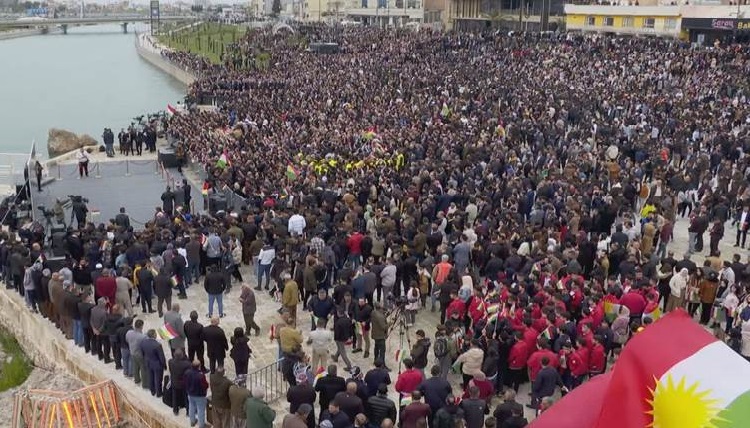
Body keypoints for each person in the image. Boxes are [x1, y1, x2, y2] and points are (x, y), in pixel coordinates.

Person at [140, 329, 166, 397]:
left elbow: (142, 353)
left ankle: (152, 391)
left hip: (148, 362)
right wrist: (164, 365)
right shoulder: (157, 345)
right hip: (157, 364)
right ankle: (159, 393)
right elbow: (161, 357)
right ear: (154, 335)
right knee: (158, 379)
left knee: (150, 377)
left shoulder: (143, 342)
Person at [185, 359, 209, 428]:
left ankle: (192, 421)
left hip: (190, 393)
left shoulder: (187, 372)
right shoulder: (201, 375)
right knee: (200, 410)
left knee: (191, 407)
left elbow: (185, 382)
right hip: (199, 395)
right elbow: (205, 385)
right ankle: (201, 425)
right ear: (199, 366)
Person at [168, 348, 191, 415]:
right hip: (183, 383)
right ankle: (188, 411)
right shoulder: (187, 364)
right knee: (186, 397)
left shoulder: (170, 362)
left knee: (174, 396)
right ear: (182, 355)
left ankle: (175, 410)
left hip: (174, 382)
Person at [126, 319, 148, 389]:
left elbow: (127, 340)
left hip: (132, 352)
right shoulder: (143, 337)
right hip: (140, 354)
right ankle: (145, 384)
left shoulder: (129, 332)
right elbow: (145, 346)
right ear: (141, 326)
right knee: (143, 369)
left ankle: (137, 380)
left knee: (135, 367)